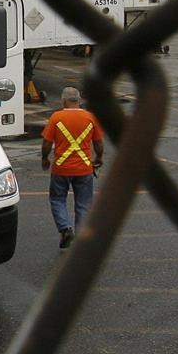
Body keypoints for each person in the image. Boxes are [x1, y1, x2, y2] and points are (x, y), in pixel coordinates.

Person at [41, 86, 104, 249]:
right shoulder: (90, 117)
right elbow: (98, 142)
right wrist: (99, 157)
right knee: (83, 204)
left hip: (61, 168)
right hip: (84, 169)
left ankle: (65, 228)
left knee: (57, 199)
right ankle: (82, 238)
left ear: (63, 101)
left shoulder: (56, 117)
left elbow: (47, 142)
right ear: (79, 100)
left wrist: (45, 158)